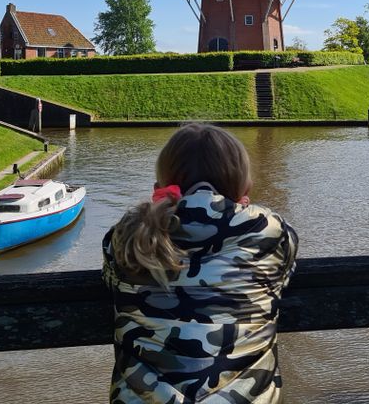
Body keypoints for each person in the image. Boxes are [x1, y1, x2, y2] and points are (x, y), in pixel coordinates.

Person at [103, 123, 298, 403]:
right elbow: (282, 273)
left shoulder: (125, 236)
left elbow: (111, 277)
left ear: (159, 187)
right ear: (246, 187)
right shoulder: (270, 231)